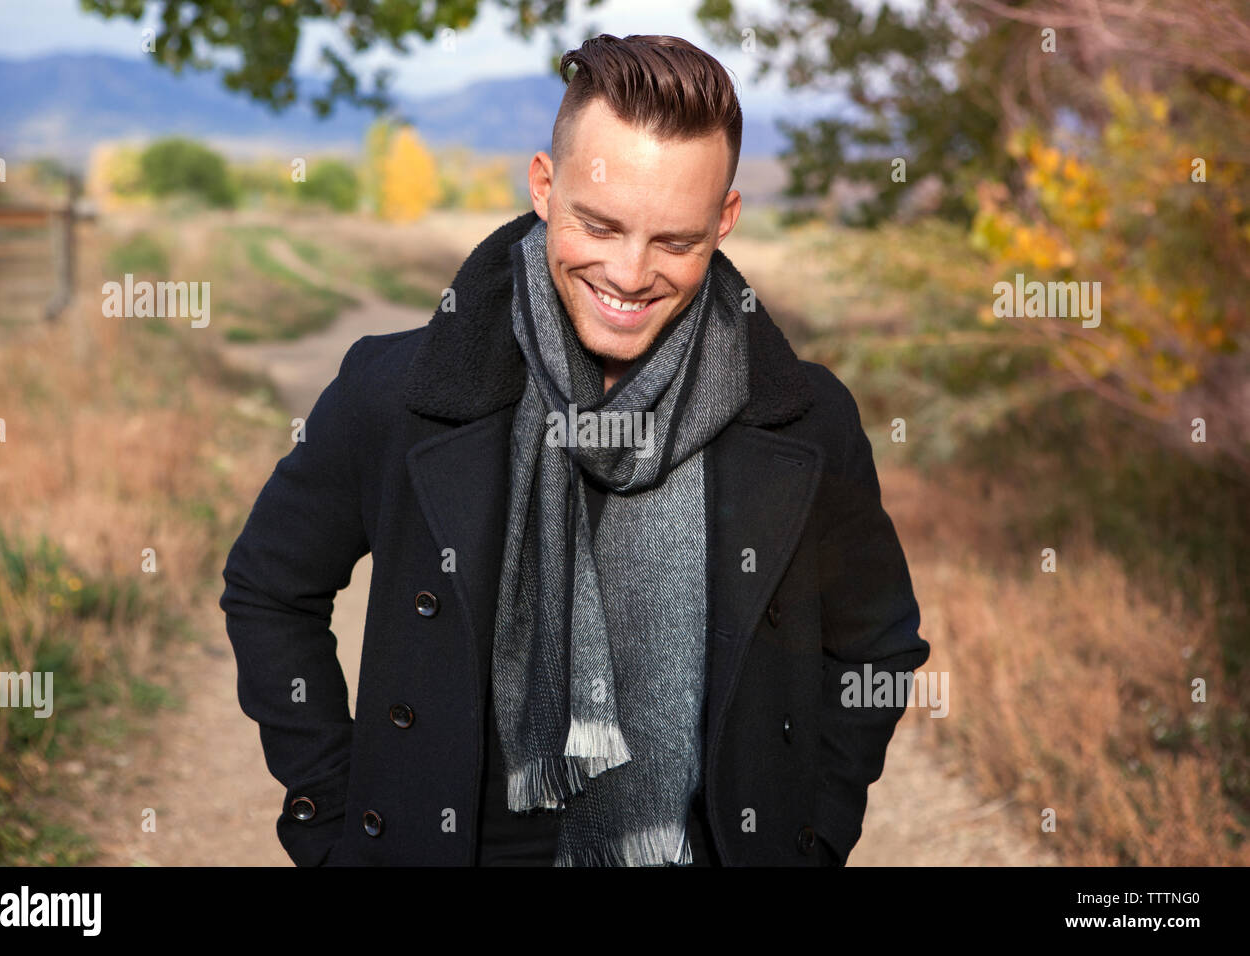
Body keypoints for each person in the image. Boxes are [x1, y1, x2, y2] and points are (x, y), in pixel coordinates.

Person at [219, 33, 929, 867]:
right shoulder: (400, 391)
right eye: (600, 225)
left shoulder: (803, 423)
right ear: (545, 186)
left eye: (675, 241)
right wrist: (333, 821)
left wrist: (809, 840)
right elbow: (269, 588)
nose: (630, 274)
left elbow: (875, 650)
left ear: (725, 219)